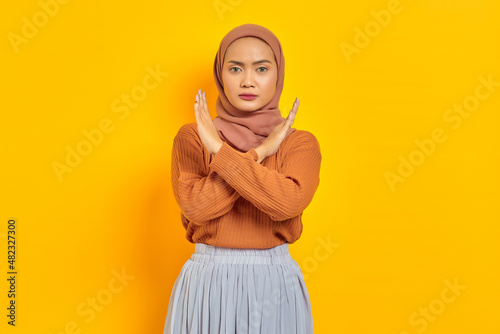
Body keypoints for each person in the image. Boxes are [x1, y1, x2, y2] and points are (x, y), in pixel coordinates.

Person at [163, 23, 321, 334]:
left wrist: (220, 153)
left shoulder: (299, 143)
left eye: (261, 68)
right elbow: (197, 208)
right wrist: (258, 153)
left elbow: (286, 204)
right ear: (220, 75)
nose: (248, 81)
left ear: (278, 74)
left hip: (274, 281)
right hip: (207, 281)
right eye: (235, 68)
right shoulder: (193, 137)